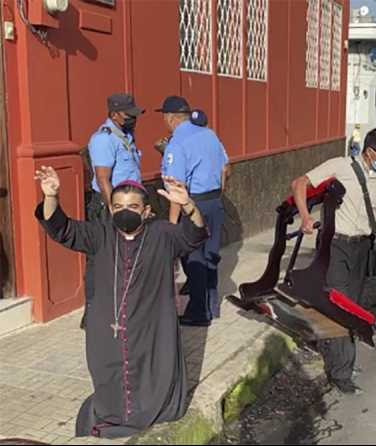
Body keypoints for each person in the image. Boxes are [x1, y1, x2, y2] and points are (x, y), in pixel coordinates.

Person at [34, 167, 208, 438]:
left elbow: (195, 235)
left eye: (132, 206)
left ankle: (152, 409)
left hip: (151, 323)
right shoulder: (99, 234)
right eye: (117, 206)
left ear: (147, 210)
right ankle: (114, 412)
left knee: (152, 371)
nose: (124, 212)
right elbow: (62, 229)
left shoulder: (162, 233)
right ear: (110, 209)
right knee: (109, 370)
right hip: (108, 322)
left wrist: (188, 205)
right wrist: (52, 196)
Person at [291, 126, 376, 395]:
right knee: (340, 304)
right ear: (369, 152)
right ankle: (341, 373)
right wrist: (305, 217)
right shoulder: (340, 165)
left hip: (364, 248)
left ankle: (344, 363)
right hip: (336, 245)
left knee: (354, 306)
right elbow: (299, 183)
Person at [158, 96, 230, 326]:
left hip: (192, 204)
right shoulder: (209, 134)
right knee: (210, 255)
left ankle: (198, 312)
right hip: (215, 202)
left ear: (170, 118)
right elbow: (226, 168)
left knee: (193, 258)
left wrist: (172, 226)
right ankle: (212, 305)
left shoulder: (176, 143)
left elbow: (176, 188)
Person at [82, 93, 145, 329]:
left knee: (124, 257)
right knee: (100, 259)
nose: (133, 119)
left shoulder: (126, 136)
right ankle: (92, 311)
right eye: (129, 115)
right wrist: (114, 211)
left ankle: (121, 307)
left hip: (129, 203)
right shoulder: (103, 139)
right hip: (108, 205)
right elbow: (103, 178)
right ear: (115, 114)